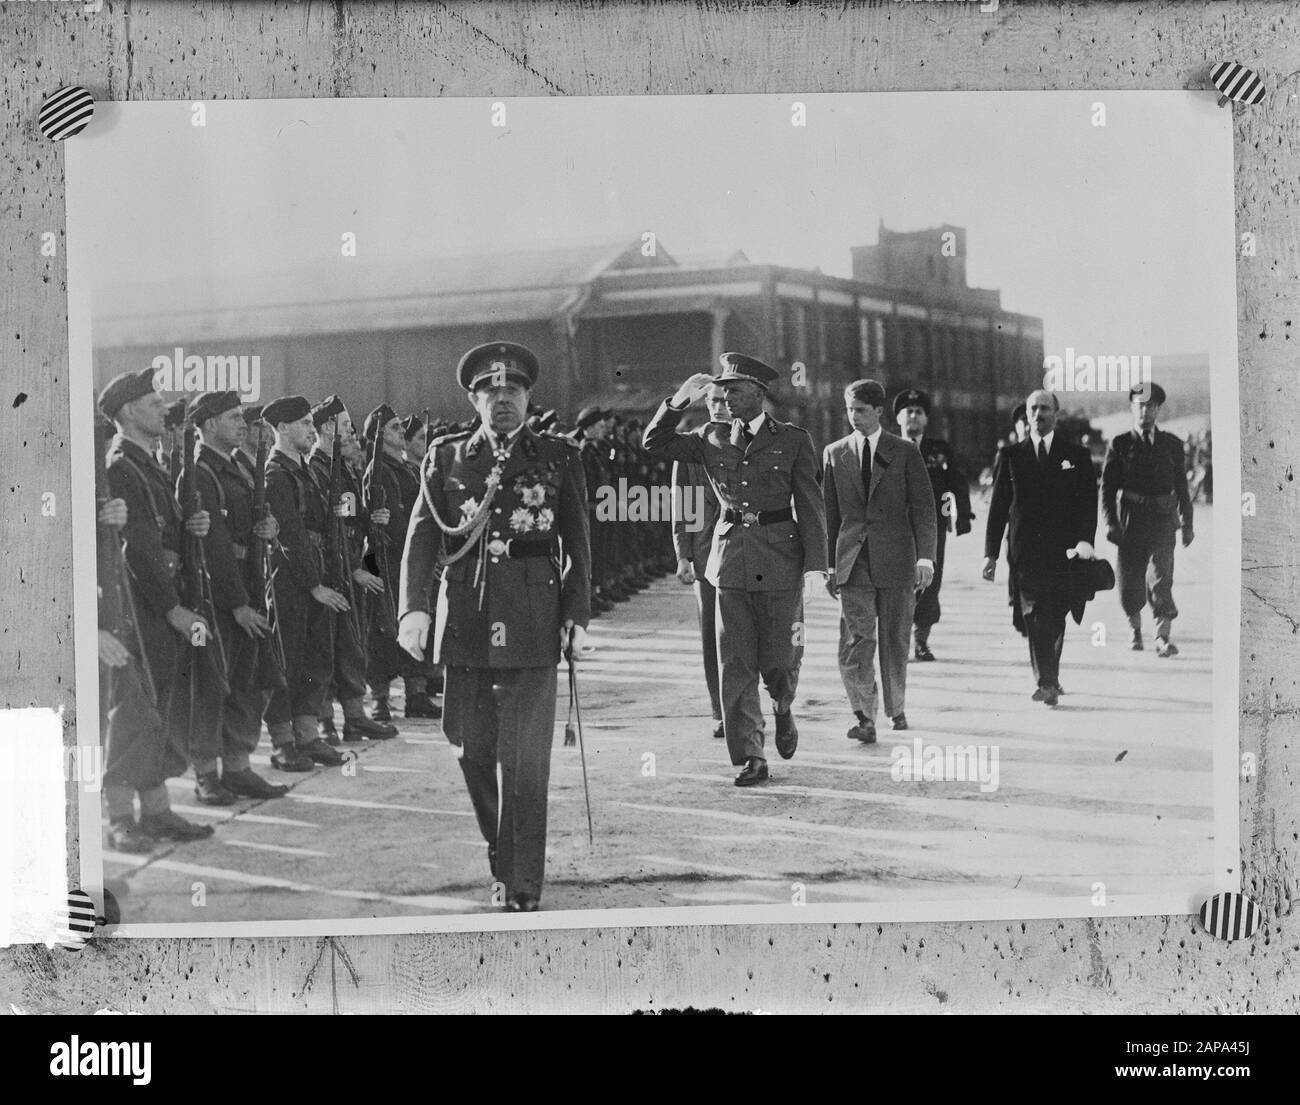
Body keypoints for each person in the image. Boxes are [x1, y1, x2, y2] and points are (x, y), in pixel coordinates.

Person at [398, 341, 591, 913]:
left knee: (526, 760)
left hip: (534, 622)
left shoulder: (559, 457)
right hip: (467, 623)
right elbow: (421, 537)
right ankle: (499, 849)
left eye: (512, 390)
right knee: (472, 750)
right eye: (490, 390)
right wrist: (414, 608)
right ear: (474, 398)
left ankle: (521, 878)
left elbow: (578, 544)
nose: (501, 398)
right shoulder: (447, 456)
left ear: (529, 397)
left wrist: (577, 617)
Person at [644, 353, 827, 786]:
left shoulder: (795, 440)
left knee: (780, 659)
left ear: (759, 396)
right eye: (722, 390)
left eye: (735, 390)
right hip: (729, 562)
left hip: (781, 558)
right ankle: (752, 754)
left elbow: (811, 506)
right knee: (737, 662)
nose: (725, 397)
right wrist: (678, 402)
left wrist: (817, 567)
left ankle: (782, 707)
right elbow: (654, 443)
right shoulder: (708, 437)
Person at [98, 369, 216, 849]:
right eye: (153, 402)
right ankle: (121, 817)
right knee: (134, 707)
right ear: (127, 412)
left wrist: (194, 525)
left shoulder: (148, 462)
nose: (163, 409)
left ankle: (159, 811)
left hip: (160, 596)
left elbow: (162, 531)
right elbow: (140, 546)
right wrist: (172, 609)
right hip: (144, 605)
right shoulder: (122, 464)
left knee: (159, 705)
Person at [188, 390, 289, 801]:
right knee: (213, 686)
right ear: (209, 425)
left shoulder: (239, 469)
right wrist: (237, 604)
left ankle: (238, 767)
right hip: (218, 596)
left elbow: (250, 526)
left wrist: (270, 528)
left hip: (249, 584)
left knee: (249, 682)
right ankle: (207, 776)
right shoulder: (200, 472)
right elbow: (211, 546)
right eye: (233, 418)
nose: (242, 425)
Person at [824, 380, 936, 743]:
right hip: (853, 560)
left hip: (897, 559)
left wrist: (926, 559)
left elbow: (923, 509)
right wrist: (829, 565)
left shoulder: (903, 452)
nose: (853, 416)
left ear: (878, 411)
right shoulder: (834, 453)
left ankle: (896, 706)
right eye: (849, 409)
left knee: (894, 637)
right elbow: (830, 514)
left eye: (860, 410)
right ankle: (864, 715)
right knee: (856, 639)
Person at [983, 389, 1098, 707]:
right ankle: (1045, 681)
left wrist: (1086, 541)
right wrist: (990, 554)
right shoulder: (1011, 456)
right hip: (1025, 554)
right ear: (1028, 414)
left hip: (1064, 554)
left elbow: (1088, 503)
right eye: (1034, 409)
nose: (1038, 414)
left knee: (1056, 615)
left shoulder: (1076, 456)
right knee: (1035, 616)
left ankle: (1051, 676)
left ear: (1056, 415)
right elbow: (998, 508)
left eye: (1045, 409)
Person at [262, 395, 346, 769]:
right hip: (291, 575)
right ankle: (282, 742)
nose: (312, 430)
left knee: (316, 652)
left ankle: (308, 735)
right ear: (281, 428)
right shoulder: (276, 474)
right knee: (288, 655)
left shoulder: (305, 471)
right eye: (304, 424)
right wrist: (314, 585)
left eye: (313, 423)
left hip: (317, 568)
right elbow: (291, 535)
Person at [306, 396, 397, 742]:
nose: (351, 433)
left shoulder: (343, 470)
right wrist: (356, 570)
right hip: (334, 570)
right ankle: (327, 721)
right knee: (327, 647)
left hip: (350, 566)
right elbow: (330, 532)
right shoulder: (318, 469)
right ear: (327, 429)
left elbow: (353, 524)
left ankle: (354, 717)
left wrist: (375, 518)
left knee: (351, 645)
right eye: (345, 426)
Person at [1100, 382, 1194, 656]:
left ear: (1158, 410)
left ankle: (1162, 636)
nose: (1145, 412)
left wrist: (1188, 523)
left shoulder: (1172, 445)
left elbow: (1182, 488)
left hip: (1163, 519)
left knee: (1162, 578)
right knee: (1129, 581)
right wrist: (1110, 522)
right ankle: (1134, 629)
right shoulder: (1119, 444)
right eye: (1140, 406)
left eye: (1150, 407)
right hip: (1130, 522)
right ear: (1132, 408)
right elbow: (1107, 489)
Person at [363, 404, 441, 720]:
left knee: (414, 618)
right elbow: (377, 519)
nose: (400, 432)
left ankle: (416, 693)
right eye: (394, 428)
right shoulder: (377, 470)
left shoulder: (407, 470)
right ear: (380, 436)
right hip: (387, 558)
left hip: (407, 558)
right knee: (382, 630)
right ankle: (380, 699)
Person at [894, 388, 972, 662]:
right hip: (897, 529)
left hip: (933, 528)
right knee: (898, 584)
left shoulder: (939, 450)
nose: (913, 416)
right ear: (898, 418)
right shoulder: (889, 448)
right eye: (909, 411)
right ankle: (899, 641)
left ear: (926, 420)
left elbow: (957, 483)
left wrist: (963, 515)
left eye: (919, 412)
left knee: (930, 582)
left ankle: (921, 642)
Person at [670, 383, 728, 739]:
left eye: (725, 400)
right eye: (714, 401)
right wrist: (684, 555)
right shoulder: (691, 446)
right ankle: (720, 710)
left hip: (747, 554)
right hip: (707, 557)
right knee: (712, 638)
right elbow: (683, 506)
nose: (720, 407)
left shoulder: (750, 440)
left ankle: (746, 705)